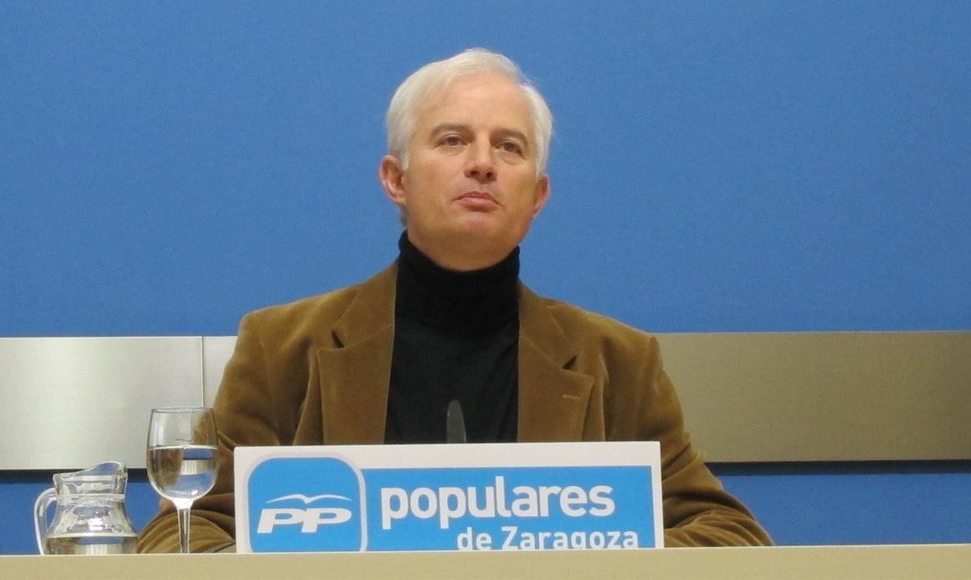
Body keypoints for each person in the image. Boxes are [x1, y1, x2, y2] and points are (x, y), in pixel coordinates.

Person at [139, 48, 771, 552]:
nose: (483, 163)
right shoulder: (283, 349)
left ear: (538, 196)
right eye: (452, 140)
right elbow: (184, 533)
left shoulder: (618, 361)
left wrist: (589, 562)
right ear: (396, 179)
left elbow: (730, 534)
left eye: (509, 146)